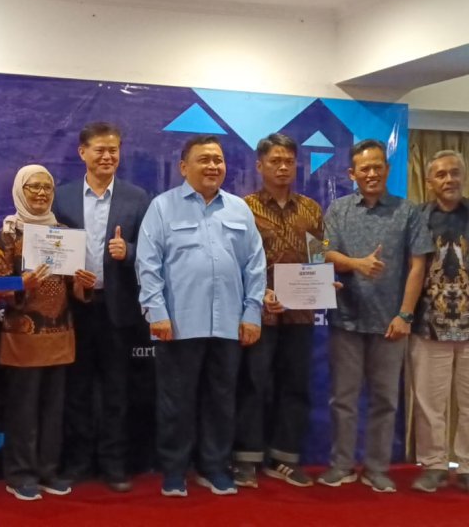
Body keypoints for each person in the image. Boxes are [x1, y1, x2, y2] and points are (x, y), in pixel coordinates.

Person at [136, 135, 266, 498]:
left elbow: (255, 264)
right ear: (183, 167)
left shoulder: (239, 209)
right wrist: (156, 312)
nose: (213, 166)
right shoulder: (162, 207)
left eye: (218, 160)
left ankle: (214, 467)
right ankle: (174, 470)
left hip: (229, 324)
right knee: (175, 402)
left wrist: (252, 312)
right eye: (204, 159)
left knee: (221, 400)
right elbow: (147, 264)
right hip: (177, 324)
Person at [318, 139, 432, 493]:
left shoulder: (408, 211)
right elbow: (323, 253)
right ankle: (341, 465)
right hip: (346, 320)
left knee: (385, 401)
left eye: (377, 166)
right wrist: (357, 264)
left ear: (387, 170)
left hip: (390, 324)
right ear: (352, 173)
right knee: (343, 399)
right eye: (364, 168)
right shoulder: (338, 210)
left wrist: (405, 315)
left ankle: (377, 468)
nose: (371, 173)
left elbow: (418, 266)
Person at [53, 121, 150, 492]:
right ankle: (78, 462)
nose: (108, 156)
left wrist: (130, 252)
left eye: (114, 150)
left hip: (118, 309)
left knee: (116, 391)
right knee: (76, 390)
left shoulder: (136, 197)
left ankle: (114, 464)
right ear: (83, 153)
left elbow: (153, 252)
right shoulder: (61, 198)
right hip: (73, 307)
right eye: (100, 150)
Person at [0, 165, 97, 501]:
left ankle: (48, 471)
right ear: (20, 191)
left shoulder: (63, 233)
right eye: (33, 187)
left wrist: (82, 284)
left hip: (60, 334)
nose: (40, 193)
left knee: (53, 409)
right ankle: (20, 474)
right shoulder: (8, 235)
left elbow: (72, 289)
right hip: (22, 336)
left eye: (46, 188)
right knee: (23, 410)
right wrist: (20, 285)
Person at [233, 133, 323, 488]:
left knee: (295, 385)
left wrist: (323, 283)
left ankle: (284, 458)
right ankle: (246, 458)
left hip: (300, 314)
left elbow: (318, 257)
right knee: (253, 384)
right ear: (260, 165)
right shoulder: (244, 208)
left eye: (288, 161)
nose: (283, 167)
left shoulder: (311, 209)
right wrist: (260, 293)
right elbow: (236, 262)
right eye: (275, 161)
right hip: (258, 313)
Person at [410, 150, 469, 493]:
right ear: (429, 181)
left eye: (455, 173)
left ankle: (466, 465)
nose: (449, 180)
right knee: (429, 402)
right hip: (427, 324)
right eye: (442, 174)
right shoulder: (418, 218)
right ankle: (433, 464)